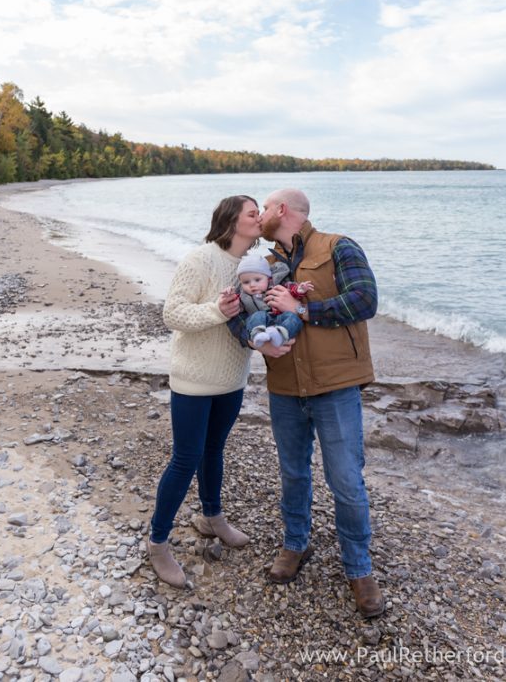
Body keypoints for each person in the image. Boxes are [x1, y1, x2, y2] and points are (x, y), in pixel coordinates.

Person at [228, 189, 384, 617]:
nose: (258, 216)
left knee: (347, 482)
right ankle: (296, 545)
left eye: (265, 208)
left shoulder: (338, 246)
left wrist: (305, 308)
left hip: (337, 385)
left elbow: (365, 300)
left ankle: (359, 567)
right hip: (285, 387)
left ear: (281, 210)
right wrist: (251, 338)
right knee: (293, 473)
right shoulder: (267, 263)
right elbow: (241, 313)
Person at [148, 195, 261, 588]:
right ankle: (158, 543)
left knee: (215, 451)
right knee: (185, 458)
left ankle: (213, 518)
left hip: (232, 378)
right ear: (232, 221)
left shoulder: (253, 267)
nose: (260, 217)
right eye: (253, 212)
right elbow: (172, 314)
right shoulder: (200, 259)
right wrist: (217, 311)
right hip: (194, 378)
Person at [234, 253, 314, 347]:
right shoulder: (244, 296)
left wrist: (300, 289)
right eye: (246, 282)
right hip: (262, 324)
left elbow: (291, 290)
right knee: (257, 316)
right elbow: (238, 307)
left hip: (281, 318)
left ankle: (280, 335)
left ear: (268, 278)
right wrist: (230, 298)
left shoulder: (278, 286)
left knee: (293, 318)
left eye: (257, 280)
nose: (252, 285)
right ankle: (258, 335)